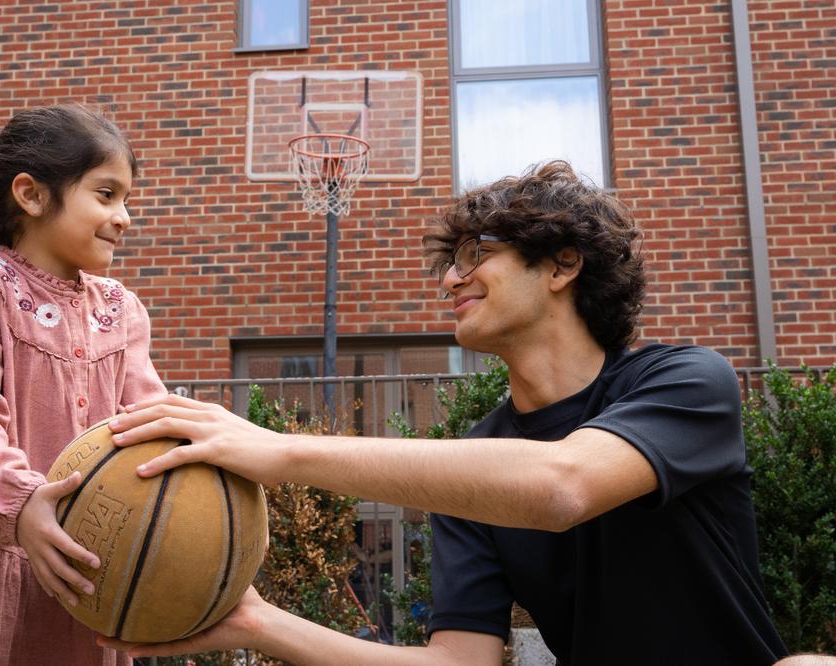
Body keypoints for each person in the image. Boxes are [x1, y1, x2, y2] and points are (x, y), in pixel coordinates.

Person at [98, 161, 800, 666]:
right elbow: (458, 663)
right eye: (451, 260)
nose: (450, 279)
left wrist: (282, 451)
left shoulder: (685, 381)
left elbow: (564, 486)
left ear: (561, 266)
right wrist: (256, 622)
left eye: (478, 255)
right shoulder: (478, 460)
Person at [0, 105, 168, 666]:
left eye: (127, 199)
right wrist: (21, 504)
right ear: (32, 195)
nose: (125, 217)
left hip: (86, 574)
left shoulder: (122, 309)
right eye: (107, 194)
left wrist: (212, 484)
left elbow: (151, 421)